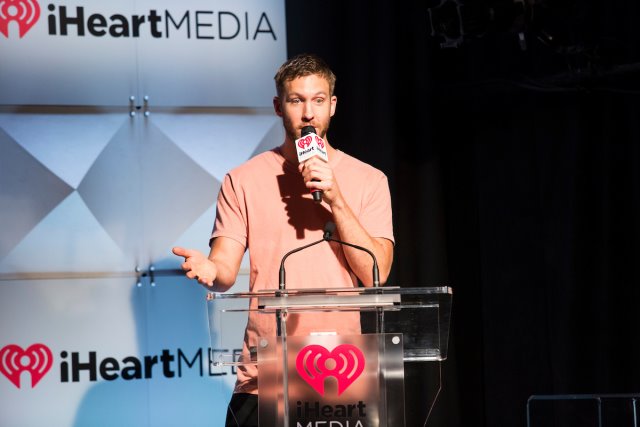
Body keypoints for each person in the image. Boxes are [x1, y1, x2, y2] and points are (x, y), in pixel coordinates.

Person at [173, 53, 394, 427]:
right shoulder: (242, 179)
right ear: (279, 107)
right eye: (296, 100)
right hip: (265, 371)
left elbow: (376, 273)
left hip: (340, 370)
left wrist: (337, 200)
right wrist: (210, 268)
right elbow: (225, 270)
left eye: (318, 100)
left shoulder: (369, 180)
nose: (308, 113)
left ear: (333, 105)